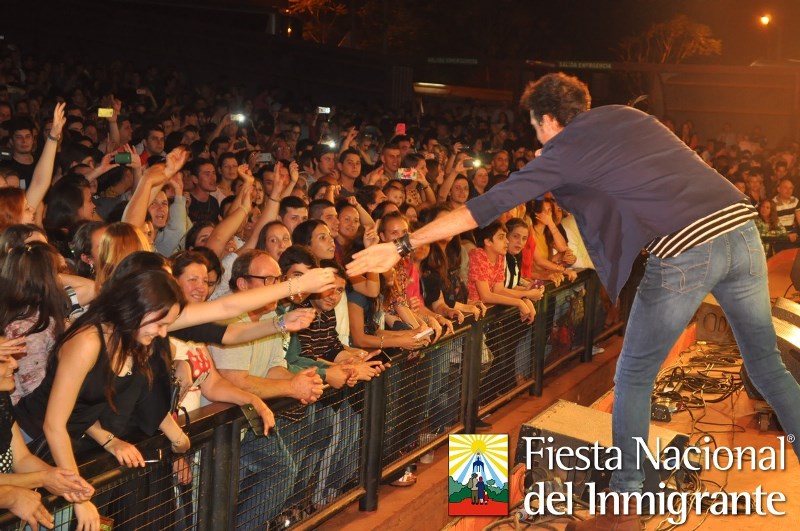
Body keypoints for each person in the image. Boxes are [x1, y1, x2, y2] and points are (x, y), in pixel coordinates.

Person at [347, 72, 800, 530]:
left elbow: (484, 207)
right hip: (741, 231)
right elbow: (620, 181)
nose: (536, 137)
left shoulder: (566, 149)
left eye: (535, 127)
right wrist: (562, 170)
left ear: (547, 119)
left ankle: (626, 502)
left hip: (687, 247)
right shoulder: (624, 115)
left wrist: (403, 245)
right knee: (767, 366)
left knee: (634, 376)